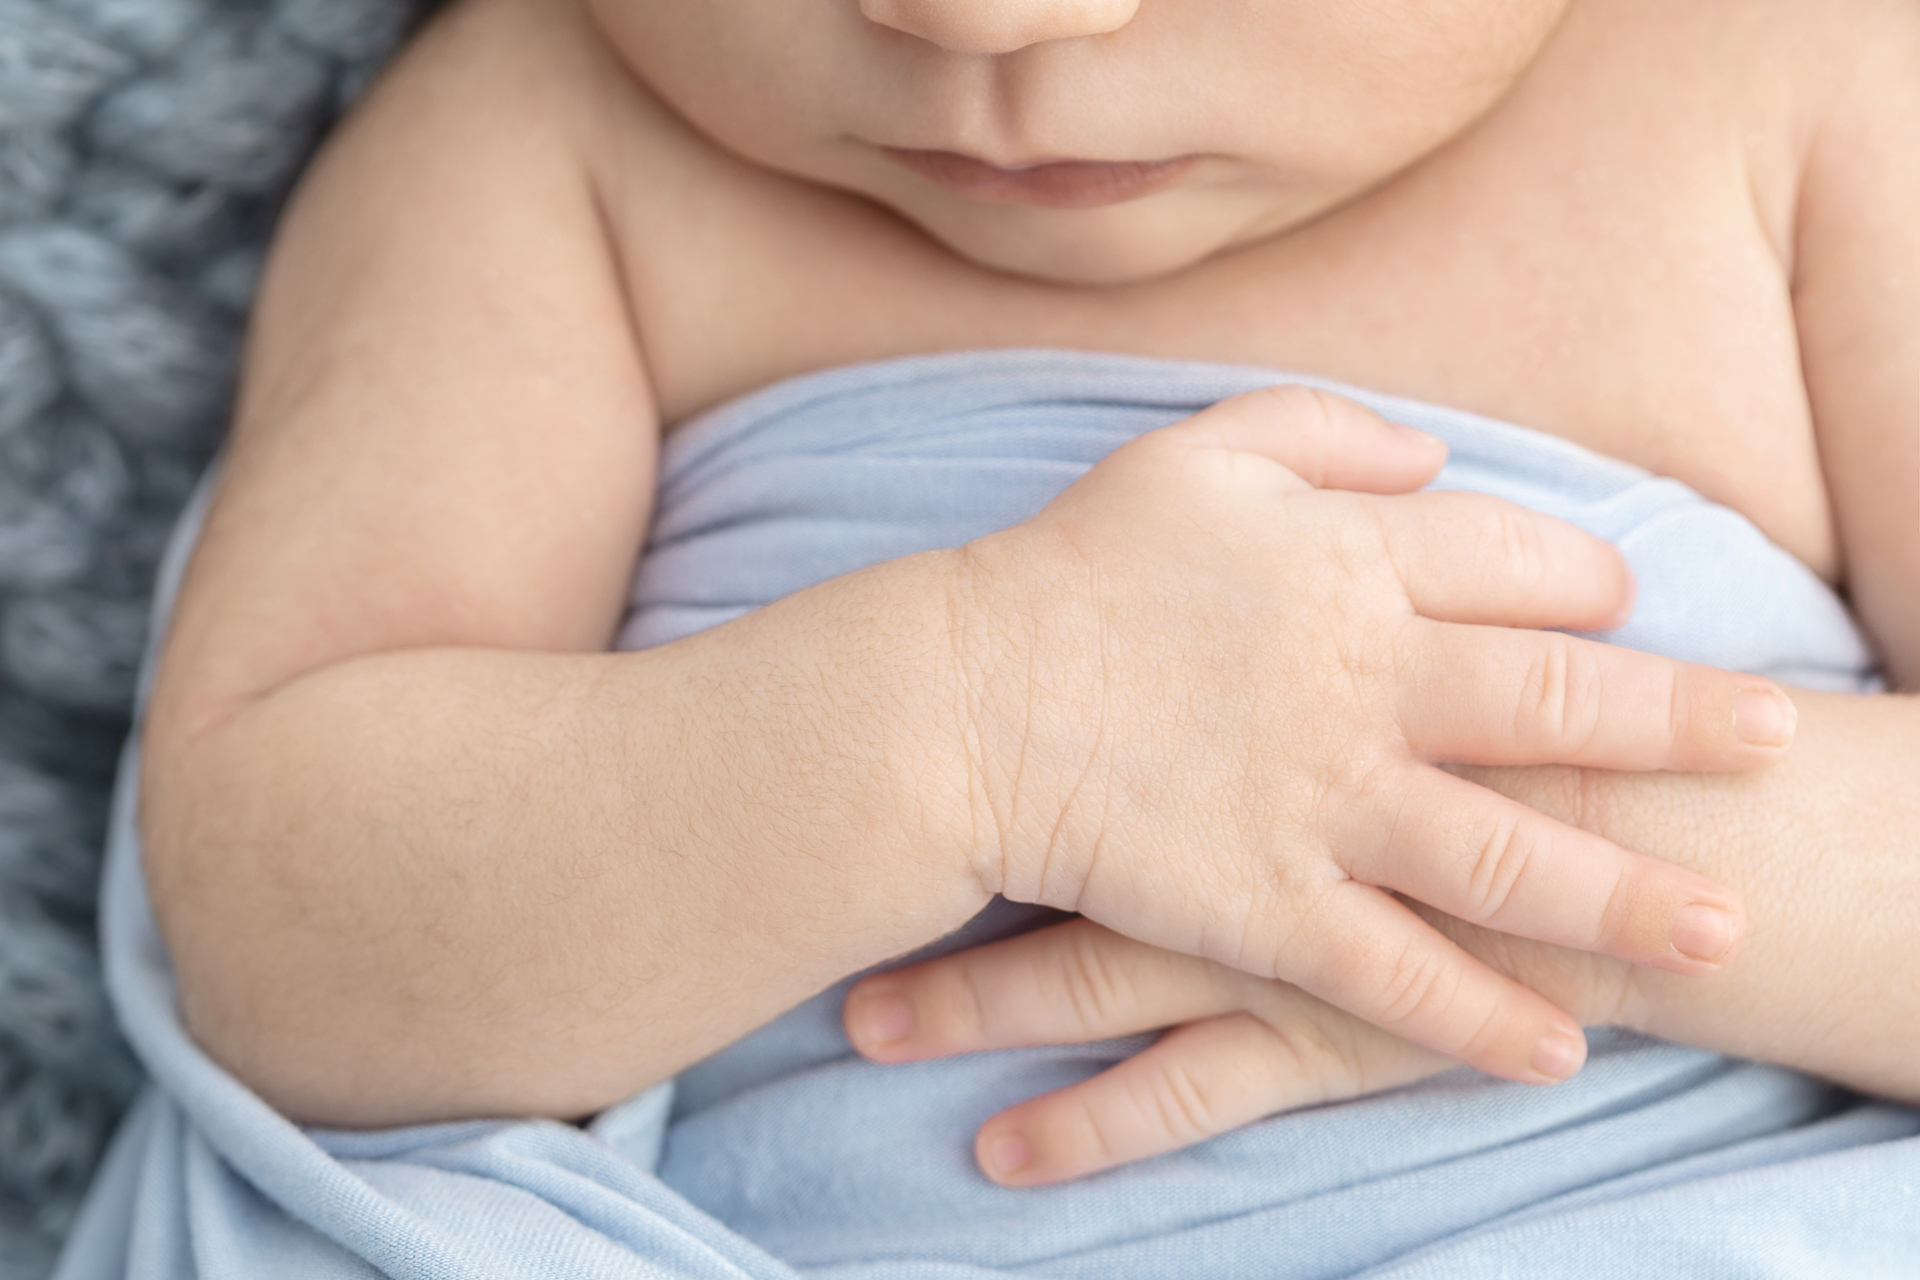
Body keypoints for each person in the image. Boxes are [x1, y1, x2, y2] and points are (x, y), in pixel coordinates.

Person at [69, 0, 1919, 1273]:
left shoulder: (1801, 81)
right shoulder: (553, 132)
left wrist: (1570, 879)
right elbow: (284, 929)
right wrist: (963, 729)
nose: (985, 22)